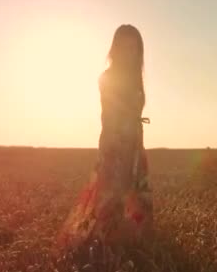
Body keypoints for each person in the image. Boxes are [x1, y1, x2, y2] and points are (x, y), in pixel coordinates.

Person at [58, 24, 153, 251]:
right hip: (115, 144)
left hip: (134, 144)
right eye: (125, 46)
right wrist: (115, 150)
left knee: (136, 195)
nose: (130, 52)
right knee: (111, 196)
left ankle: (134, 242)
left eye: (134, 47)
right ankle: (103, 246)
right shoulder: (108, 77)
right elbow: (110, 116)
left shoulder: (136, 78)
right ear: (116, 48)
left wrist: (136, 145)